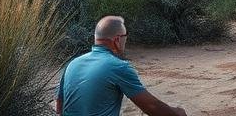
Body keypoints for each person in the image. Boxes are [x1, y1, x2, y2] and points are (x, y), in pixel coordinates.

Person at [57, 16, 187, 116]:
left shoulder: (72, 64)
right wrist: (178, 112)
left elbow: (59, 108)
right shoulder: (118, 66)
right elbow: (151, 107)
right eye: (125, 37)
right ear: (117, 40)